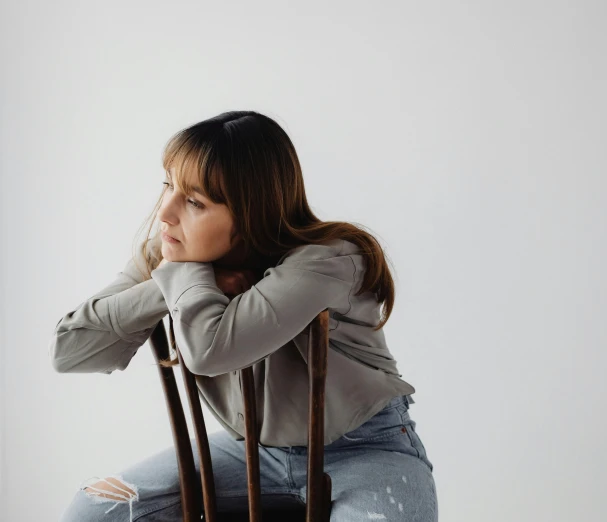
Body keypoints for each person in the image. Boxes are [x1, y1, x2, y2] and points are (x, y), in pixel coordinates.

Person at [49, 110, 437, 521]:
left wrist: (184, 277)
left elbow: (211, 351)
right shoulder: (172, 257)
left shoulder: (328, 260)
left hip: (364, 448)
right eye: (169, 185)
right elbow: (69, 351)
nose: (165, 213)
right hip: (250, 453)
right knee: (94, 510)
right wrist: (176, 281)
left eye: (195, 201)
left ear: (253, 212)